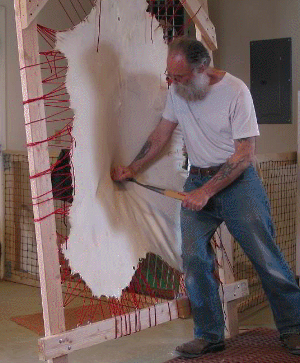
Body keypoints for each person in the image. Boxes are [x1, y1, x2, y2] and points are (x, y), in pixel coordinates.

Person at [111, 36, 300, 358]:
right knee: (195, 261)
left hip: (239, 184)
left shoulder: (235, 91)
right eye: (170, 76)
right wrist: (133, 167)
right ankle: (209, 335)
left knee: (266, 258)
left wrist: (206, 191)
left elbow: (244, 153)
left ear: (202, 68)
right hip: (197, 177)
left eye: (179, 76)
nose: (172, 82)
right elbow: (161, 134)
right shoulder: (176, 91)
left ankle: (293, 328)